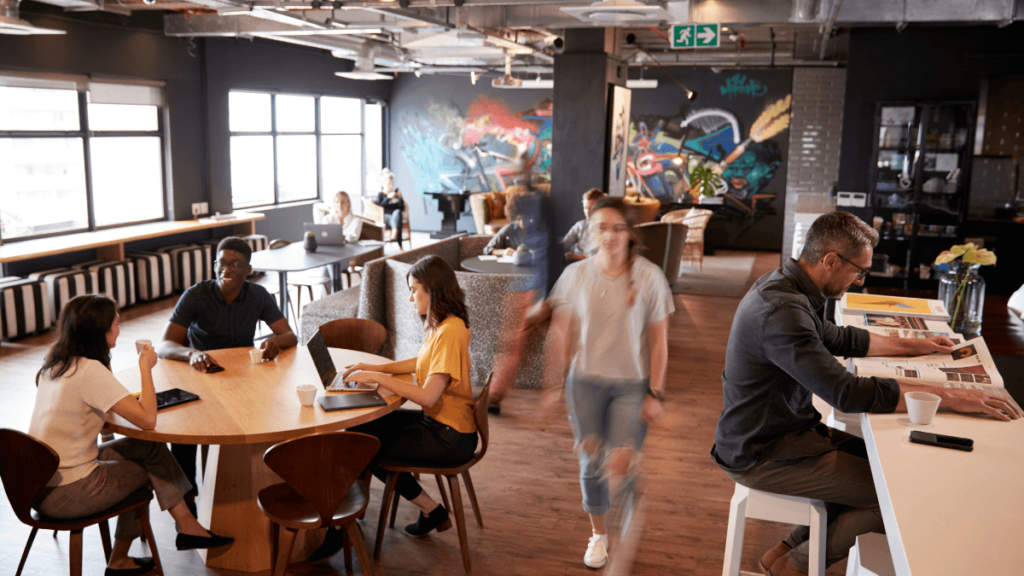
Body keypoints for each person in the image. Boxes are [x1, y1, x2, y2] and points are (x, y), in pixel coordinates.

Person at [711, 211, 1022, 576]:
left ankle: (787, 548)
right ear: (830, 260)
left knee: (881, 470)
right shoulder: (783, 313)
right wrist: (950, 396)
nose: (859, 282)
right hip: (761, 451)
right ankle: (795, 567)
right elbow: (845, 392)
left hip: (786, 434)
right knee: (891, 497)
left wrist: (916, 345)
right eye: (859, 271)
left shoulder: (789, 285)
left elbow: (839, 338)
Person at [29, 295, 233, 576]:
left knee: (149, 450)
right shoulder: (90, 372)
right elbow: (148, 421)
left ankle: (188, 526)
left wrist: (107, 368)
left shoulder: (55, 364)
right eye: (116, 323)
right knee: (146, 471)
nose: (120, 329)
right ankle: (120, 560)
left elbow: (105, 424)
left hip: (37, 483)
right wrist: (145, 368)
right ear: (100, 331)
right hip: (68, 493)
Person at [304, 255, 477, 560]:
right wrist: (374, 367)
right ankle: (347, 521)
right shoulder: (445, 325)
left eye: (414, 290)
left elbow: (428, 396)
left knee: (363, 446)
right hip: (444, 425)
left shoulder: (450, 332)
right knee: (359, 432)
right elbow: (421, 363)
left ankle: (350, 524)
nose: (410, 297)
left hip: (449, 437)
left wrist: (376, 376)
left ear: (432, 290)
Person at [544, 196, 674, 570]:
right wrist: (554, 386)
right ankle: (599, 535)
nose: (610, 236)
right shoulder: (575, 276)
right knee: (590, 464)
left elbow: (659, 341)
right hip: (583, 384)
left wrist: (655, 392)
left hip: (631, 386)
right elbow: (561, 335)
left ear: (630, 233)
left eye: (618, 228)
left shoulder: (649, 276)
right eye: (602, 227)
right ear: (590, 232)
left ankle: (630, 507)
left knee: (621, 462)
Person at [157, 236, 297, 501]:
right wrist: (192, 353)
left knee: (274, 413)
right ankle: (187, 502)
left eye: (235, 264)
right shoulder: (196, 295)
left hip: (244, 378)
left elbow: (290, 336)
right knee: (184, 432)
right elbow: (164, 345)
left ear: (248, 270)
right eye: (222, 263)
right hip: (200, 376)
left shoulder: (258, 295)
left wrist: (276, 341)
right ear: (214, 265)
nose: (227, 269)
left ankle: (251, 487)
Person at [561, 188, 606, 262]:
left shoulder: (605, 229)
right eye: (585, 208)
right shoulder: (580, 225)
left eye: (591, 208)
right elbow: (565, 243)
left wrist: (578, 257)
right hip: (575, 265)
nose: (587, 212)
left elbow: (601, 259)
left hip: (593, 267)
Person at [482, 190, 528, 256]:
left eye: (525, 218)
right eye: (518, 219)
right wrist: (504, 252)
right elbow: (487, 250)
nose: (522, 222)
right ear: (513, 217)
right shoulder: (508, 229)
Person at [375, 168, 405, 245]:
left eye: (392, 184)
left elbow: (401, 208)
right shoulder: (380, 195)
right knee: (397, 219)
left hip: (395, 217)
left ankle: (395, 233)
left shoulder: (395, 194)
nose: (391, 186)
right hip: (385, 218)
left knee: (398, 213)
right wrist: (388, 198)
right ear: (383, 184)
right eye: (389, 184)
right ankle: (397, 239)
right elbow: (378, 208)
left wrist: (401, 198)